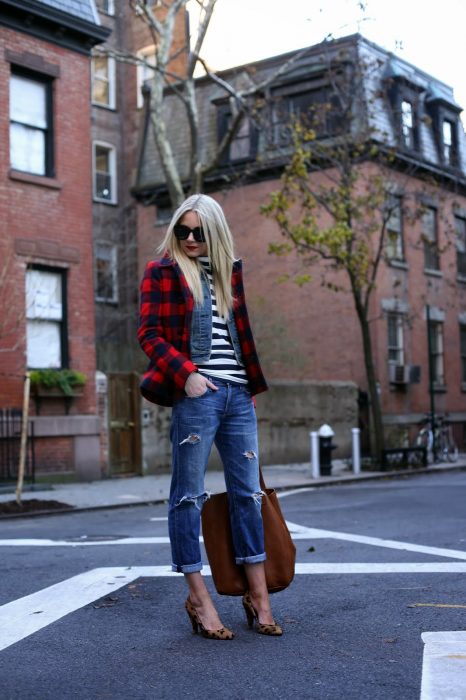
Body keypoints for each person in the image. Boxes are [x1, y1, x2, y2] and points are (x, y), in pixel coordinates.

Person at [138, 193, 283, 640]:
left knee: (248, 496)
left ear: (215, 231)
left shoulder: (228, 273)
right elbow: (149, 334)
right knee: (188, 496)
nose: (190, 238)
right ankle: (198, 598)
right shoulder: (162, 271)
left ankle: (258, 597)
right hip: (197, 394)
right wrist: (187, 376)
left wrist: (246, 388)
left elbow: (238, 337)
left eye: (199, 231)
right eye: (182, 231)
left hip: (238, 394)